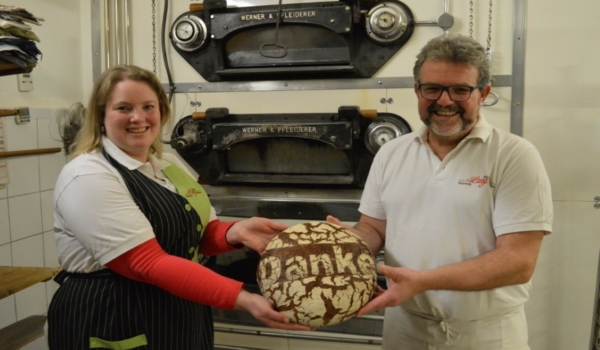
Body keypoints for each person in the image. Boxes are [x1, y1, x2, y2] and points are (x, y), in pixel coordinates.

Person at [47, 64, 310, 349]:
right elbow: (145, 263)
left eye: (148, 106)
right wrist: (244, 298)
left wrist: (236, 232)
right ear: (100, 116)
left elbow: (196, 235)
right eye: (123, 108)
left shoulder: (168, 163)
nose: (138, 118)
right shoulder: (87, 175)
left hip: (179, 312)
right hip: (113, 315)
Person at [328, 34, 553, 349]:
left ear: (484, 93)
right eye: (432, 88)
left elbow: (518, 261)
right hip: (404, 327)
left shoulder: (514, 155)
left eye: (460, 90)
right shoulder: (391, 152)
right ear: (417, 90)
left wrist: (423, 282)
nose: (444, 101)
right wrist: (345, 245)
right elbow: (374, 228)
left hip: (484, 334)